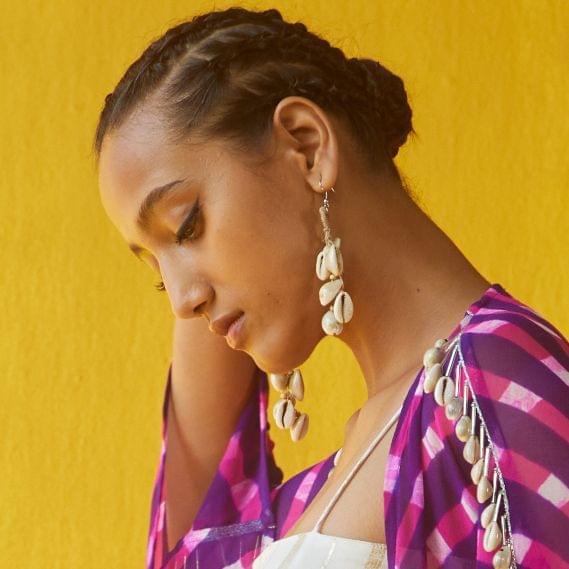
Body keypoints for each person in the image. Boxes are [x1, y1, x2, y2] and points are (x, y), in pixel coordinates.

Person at [93, 6, 569, 568]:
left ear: (308, 146)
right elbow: (184, 554)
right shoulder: (332, 483)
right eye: (156, 272)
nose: (181, 300)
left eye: (187, 225)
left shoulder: (489, 379)